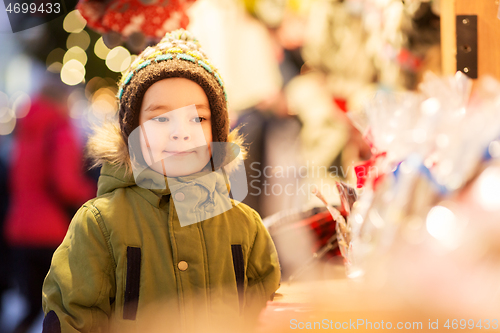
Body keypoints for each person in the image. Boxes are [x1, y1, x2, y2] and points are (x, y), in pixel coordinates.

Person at [42, 29, 281, 333]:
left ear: (217, 133)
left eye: (198, 118)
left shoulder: (244, 225)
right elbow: (73, 319)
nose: (181, 133)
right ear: (132, 133)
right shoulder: (98, 224)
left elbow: (266, 314)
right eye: (160, 118)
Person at [4, 76, 96, 333]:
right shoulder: (59, 129)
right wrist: (94, 194)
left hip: (20, 228)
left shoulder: (25, 129)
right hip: (51, 231)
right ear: (64, 99)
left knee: (31, 305)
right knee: (58, 308)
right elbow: (66, 185)